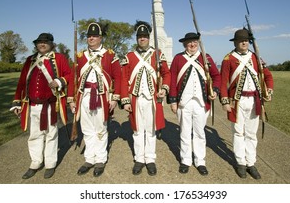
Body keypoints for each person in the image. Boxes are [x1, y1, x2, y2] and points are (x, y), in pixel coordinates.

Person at [10, 33, 71, 179]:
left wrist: (59, 81)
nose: (42, 44)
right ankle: (35, 162)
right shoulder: (30, 60)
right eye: (39, 42)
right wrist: (17, 102)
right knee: (34, 135)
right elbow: (21, 83)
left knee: (51, 134)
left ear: (51, 44)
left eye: (45, 42)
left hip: (51, 104)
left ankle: (50, 164)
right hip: (32, 105)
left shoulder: (59, 58)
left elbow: (69, 75)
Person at [68, 22, 121, 177]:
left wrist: (115, 98)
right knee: (87, 129)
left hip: (101, 96)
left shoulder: (110, 54)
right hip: (84, 96)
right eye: (89, 36)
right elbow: (74, 78)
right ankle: (89, 159)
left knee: (100, 129)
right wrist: (71, 100)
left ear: (100, 38)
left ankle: (100, 159)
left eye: (94, 36)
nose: (91, 38)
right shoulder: (80, 56)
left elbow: (117, 76)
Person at [220, 28, 274, 179]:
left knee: (251, 134)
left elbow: (268, 76)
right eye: (241, 40)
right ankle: (241, 163)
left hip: (255, 100)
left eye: (246, 40)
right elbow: (223, 82)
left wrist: (269, 91)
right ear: (236, 42)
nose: (244, 42)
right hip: (236, 101)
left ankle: (251, 163)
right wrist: (224, 101)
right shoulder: (228, 59)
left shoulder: (256, 58)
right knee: (238, 132)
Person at [120, 20, 170, 176]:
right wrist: (125, 100)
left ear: (149, 38)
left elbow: (166, 74)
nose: (142, 39)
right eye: (139, 36)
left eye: (145, 36)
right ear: (137, 38)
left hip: (152, 99)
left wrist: (164, 88)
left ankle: (150, 159)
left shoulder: (158, 54)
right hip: (135, 99)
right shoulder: (129, 56)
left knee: (150, 130)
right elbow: (123, 79)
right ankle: (139, 159)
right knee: (137, 130)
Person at [168, 32, 221, 176]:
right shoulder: (178, 58)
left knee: (199, 133)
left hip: (201, 102)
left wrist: (215, 90)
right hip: (183, 102)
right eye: (190, 42)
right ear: (185, 44)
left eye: (195, 42)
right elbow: (172, 80)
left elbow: (217, 76)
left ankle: (200, 161)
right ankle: (185, 160)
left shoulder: (206, 57)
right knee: (184, 133)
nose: (192, 45)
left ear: (198, 44)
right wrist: (173, 101)